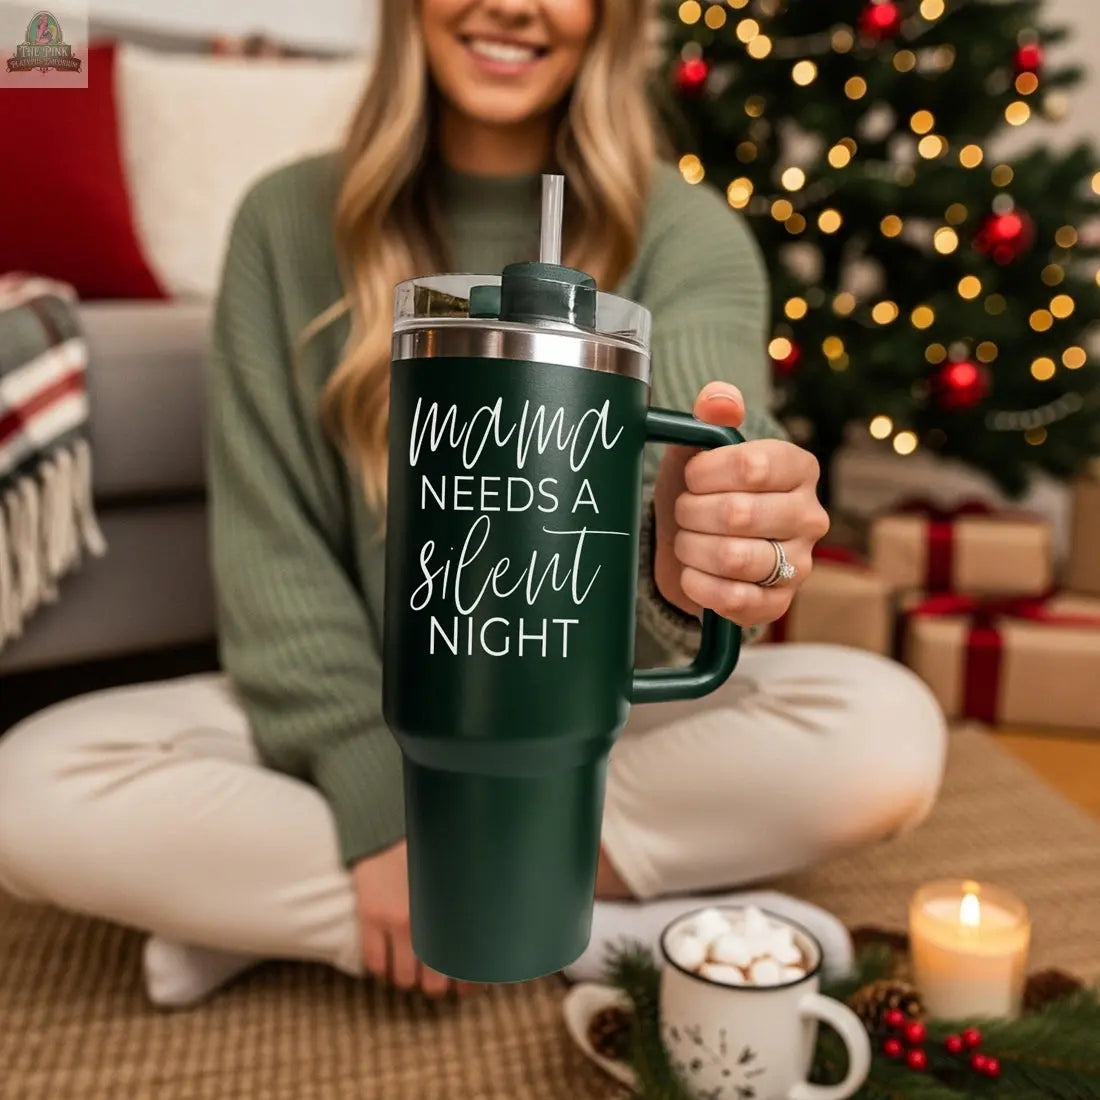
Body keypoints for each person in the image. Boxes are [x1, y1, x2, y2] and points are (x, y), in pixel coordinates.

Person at [0, 0, 946, 1009]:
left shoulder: (686, 230)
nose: (511, 5)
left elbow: (713, 427)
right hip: (372, 707)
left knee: (880, 734)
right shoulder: (283, 222)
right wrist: (378, 805)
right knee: (32, 789)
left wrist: (707, 539)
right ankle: (588, 919)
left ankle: (291, 910)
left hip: (580, 714)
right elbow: (272, 555)